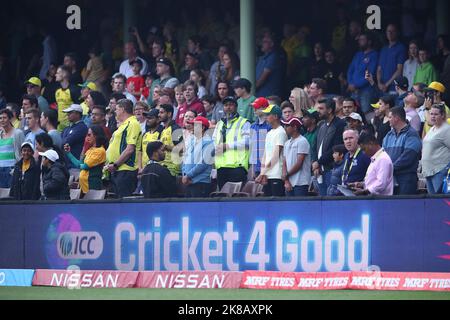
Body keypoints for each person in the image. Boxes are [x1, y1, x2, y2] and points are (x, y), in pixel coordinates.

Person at [106, 99, 142, 197]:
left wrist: (116, 164)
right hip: (117, 170)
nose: (115, 112)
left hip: (126, 170)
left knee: (125, 203)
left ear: (122, 109)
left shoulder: (133, 124)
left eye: (117, 109)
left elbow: (130, 149)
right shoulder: (124, 125)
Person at [213, 96, 250, 190]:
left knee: (236, 199)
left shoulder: (244, 123)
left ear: (236, 107)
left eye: (231, 105)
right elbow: (214, 142)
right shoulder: (219, 124)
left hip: (237, 167)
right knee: (223, 199)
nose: (228, 107)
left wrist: (227, 146)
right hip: (221, 167)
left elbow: (247, 142)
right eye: (226, 105)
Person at [383, 106, 422, 195]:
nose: (388, 120)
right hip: (391, 178)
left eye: (390, 117)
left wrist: (390, 168)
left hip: (406, 179)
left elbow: (408, 157)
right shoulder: (388, 136)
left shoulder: (412, 134)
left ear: (396, 118)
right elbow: (383, 156)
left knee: (405, 207)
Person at [312, 99, 346, 196]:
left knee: (331, 201)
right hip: (319, 171)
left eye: (321, 108)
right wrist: (315, 162)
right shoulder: (321, 125)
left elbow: (335, 148)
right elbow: (315, 146)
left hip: (331, 170)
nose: (318, 111)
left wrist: (319, 162)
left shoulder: (339, 124)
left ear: (330, 110)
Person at [64, 125, 107, 195]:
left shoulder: (100, 151)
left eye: (89, 135)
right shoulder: (90, 150)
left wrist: (80, 163)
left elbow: (84, 166)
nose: (87, 137)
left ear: (96, 136)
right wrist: (69, 153)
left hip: (92, 185)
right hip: (84, 186)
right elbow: (79, 164)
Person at [255, 105, 288, 197]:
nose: (266, 117)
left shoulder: (281, 132)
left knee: (277, 204)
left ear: (276, 117)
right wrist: (263, 173)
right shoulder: (269, 133)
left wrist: (262, 173)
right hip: (267, 174)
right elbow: (265, 155)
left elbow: (276, 156)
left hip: (276, 175)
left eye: (268, 114)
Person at [347, 32, 379, 115]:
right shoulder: (358, 54)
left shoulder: (374, 55)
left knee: (366, 113)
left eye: (362, 39)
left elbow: (370, 74)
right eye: (359, 40)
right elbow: (350, 70)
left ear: (369, 42)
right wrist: (350, 83)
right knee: (351, 114)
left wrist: (356, 85)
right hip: (354, 91)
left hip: (366, 91)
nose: (360, 41)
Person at [182, 116, 214, 198]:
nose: (192, 127)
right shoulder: (192, 141)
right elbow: (184, 158)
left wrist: (188, 175)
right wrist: (184, 174)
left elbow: (203, 164)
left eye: (194, 125)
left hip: (201, 183)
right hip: (188, 182)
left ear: (202, 128)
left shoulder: (209, 143)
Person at [421, 104, 450, 194]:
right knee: (432, 202)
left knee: (440, 201)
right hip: (428, 170)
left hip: (440, 170)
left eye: (436, 114)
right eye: (431, 114)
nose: (433, 116)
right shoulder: (432, 128)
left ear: (443, 115)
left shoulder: (447, 130)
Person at [282, 117, 311, 197]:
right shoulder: (287, 143)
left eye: (287, 126)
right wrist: (286, 181)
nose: (285, 128)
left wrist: (286, 176)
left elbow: (299, 164)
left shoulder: (302, 141)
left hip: (301, 182)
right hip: (289, 182)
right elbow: (284, 162)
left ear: (294, 127)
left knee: (301, 208)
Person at [377, 24, 407, 94]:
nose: (390, 33)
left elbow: (400, 70)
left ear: (397, 33)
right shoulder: (384, 49)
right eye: (388, 31)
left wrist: (386, 85)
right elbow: (379, 69)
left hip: (394, 88)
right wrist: (379, 83)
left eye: (392, 31)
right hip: (382, 88)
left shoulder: (401, 48)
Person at [0, 109, 25, 188]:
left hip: (12, 169)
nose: (2, 120)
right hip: (0, 169)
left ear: (10, 119)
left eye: (4, 118)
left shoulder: (18, 133)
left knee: (11, 195)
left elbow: (23, 151)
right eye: (0, 118)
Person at [249, 97, 271, 180]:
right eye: (254, 108)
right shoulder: (253, 126)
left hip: (268, 166)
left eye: (257, 107)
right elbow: (253, 148)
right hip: (257, 167)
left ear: (265, 108)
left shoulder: (270, 126)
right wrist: (253, 167)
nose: (254, 110)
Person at [255, 32, 282, 97]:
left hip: (270, 96)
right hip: (260, 95)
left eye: (265, 42)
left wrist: (251, 89)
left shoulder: (273, 57)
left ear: (271, 44)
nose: (262, 44)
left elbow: (263, 77)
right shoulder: (262, 57)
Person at [159, 104, 183, 177]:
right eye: (159, 112)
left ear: (169, 114)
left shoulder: (175, 128)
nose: (159, 115)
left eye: (161, 112)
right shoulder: (163, 130)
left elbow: (182, 149)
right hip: (163, 166)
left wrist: (165, 146)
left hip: (173, 169)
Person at [55, 65, 81, 131]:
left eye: (58, 73)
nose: (55, 75)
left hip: (71, 125)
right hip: (60, 125)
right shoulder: (57, 91)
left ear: (64, 74)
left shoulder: (74, 90)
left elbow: (79, 108)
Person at [138, 109, 163, 173]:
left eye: (150, 118)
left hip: (155, 169)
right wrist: (140, 168)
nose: (147, 120)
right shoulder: (145, 134)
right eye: (147, 118)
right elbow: (140, 152)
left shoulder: (162, 132)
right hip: (143, 169)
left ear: (158, 120)